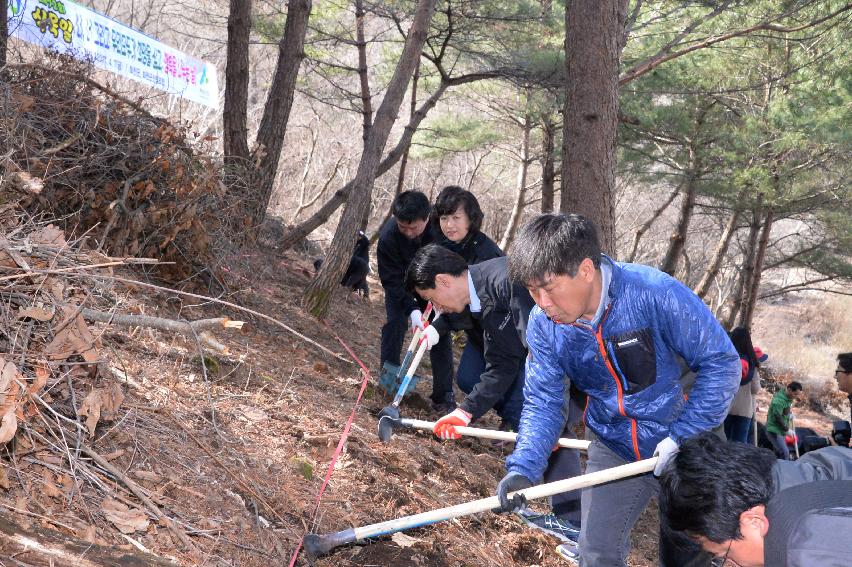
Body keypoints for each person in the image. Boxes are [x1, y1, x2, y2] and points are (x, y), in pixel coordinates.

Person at [496, 213, 740, 567]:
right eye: (532, 292)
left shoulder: (654, 294)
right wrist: (524, 467)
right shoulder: (545, 326)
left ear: (584, 270)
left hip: (689, 445)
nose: (542, 303)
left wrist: (683, 437)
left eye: (548, 288)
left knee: (688, 557)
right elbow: (543, 402)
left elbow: (722, 362)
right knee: (595, 552)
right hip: (615, 442)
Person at [406, 244, 583, 543]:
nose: (437, 309)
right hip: (554, 369)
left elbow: (550, 349)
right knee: (549, 431)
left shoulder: (506, 280)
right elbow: (501, 365)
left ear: (444, 281)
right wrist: (465, 412)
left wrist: (555, 415)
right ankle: (570, 522)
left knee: (557, 432)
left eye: (431, 299)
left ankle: (575, 524)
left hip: (577, 363)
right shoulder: (480, 300)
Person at [659, 431, 852, 567]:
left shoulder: (812, 549)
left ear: (754, 521)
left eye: (722, 557)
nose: (731, 564)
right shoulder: (798, 475)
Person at [377, 191, 455, 411]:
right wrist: (411, 309)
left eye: (414, 228)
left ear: (427, 218)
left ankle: (443, 396)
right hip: (401, 288)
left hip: (433, 287)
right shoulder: (388, 238)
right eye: (404, 227)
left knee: (439, 333)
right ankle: (388, 383)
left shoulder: (442, 230)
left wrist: (441, 294)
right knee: (394, 324)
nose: (409, 233)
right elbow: (390, 280)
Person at [429, 186, 504, 413]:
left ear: (470, 218)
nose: (449, 224)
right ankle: (506, 411)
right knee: (468, 379)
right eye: (444, 218)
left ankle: (514, 420)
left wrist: (440, 326)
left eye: (456, 217)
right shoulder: (444, 247)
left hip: (499, 331)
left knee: (504, 375)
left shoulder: (486, 253)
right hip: (475, 332)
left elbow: (474, 301)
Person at [724, 327, 766, 443]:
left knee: (723, 442)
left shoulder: (727, 359)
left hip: (726, 407)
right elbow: (755, 389)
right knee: (740, 444)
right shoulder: (752, 363)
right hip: (744, 410)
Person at [313, 230, 370, 299]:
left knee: (358, 279)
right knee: (353, 280)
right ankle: (360, 292)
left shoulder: (363, 243)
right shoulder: (355, 243)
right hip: (355, 264)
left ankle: (363, 294)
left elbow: (367, 241)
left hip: (361, 264)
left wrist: (359, 232)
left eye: (358, 236)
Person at [765, 381, 803, 460]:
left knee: (778, 452)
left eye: (798, 394)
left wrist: (789, 416)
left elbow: (784, 412)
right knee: (783, 452)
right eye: (795, 394)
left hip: (780, 430)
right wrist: (787, 429)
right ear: (789, 390)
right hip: (773, 430)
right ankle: (784, 469)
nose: (796, 397)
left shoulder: (788, 398)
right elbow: (777, 417)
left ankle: (776, 468)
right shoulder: (778, 401)